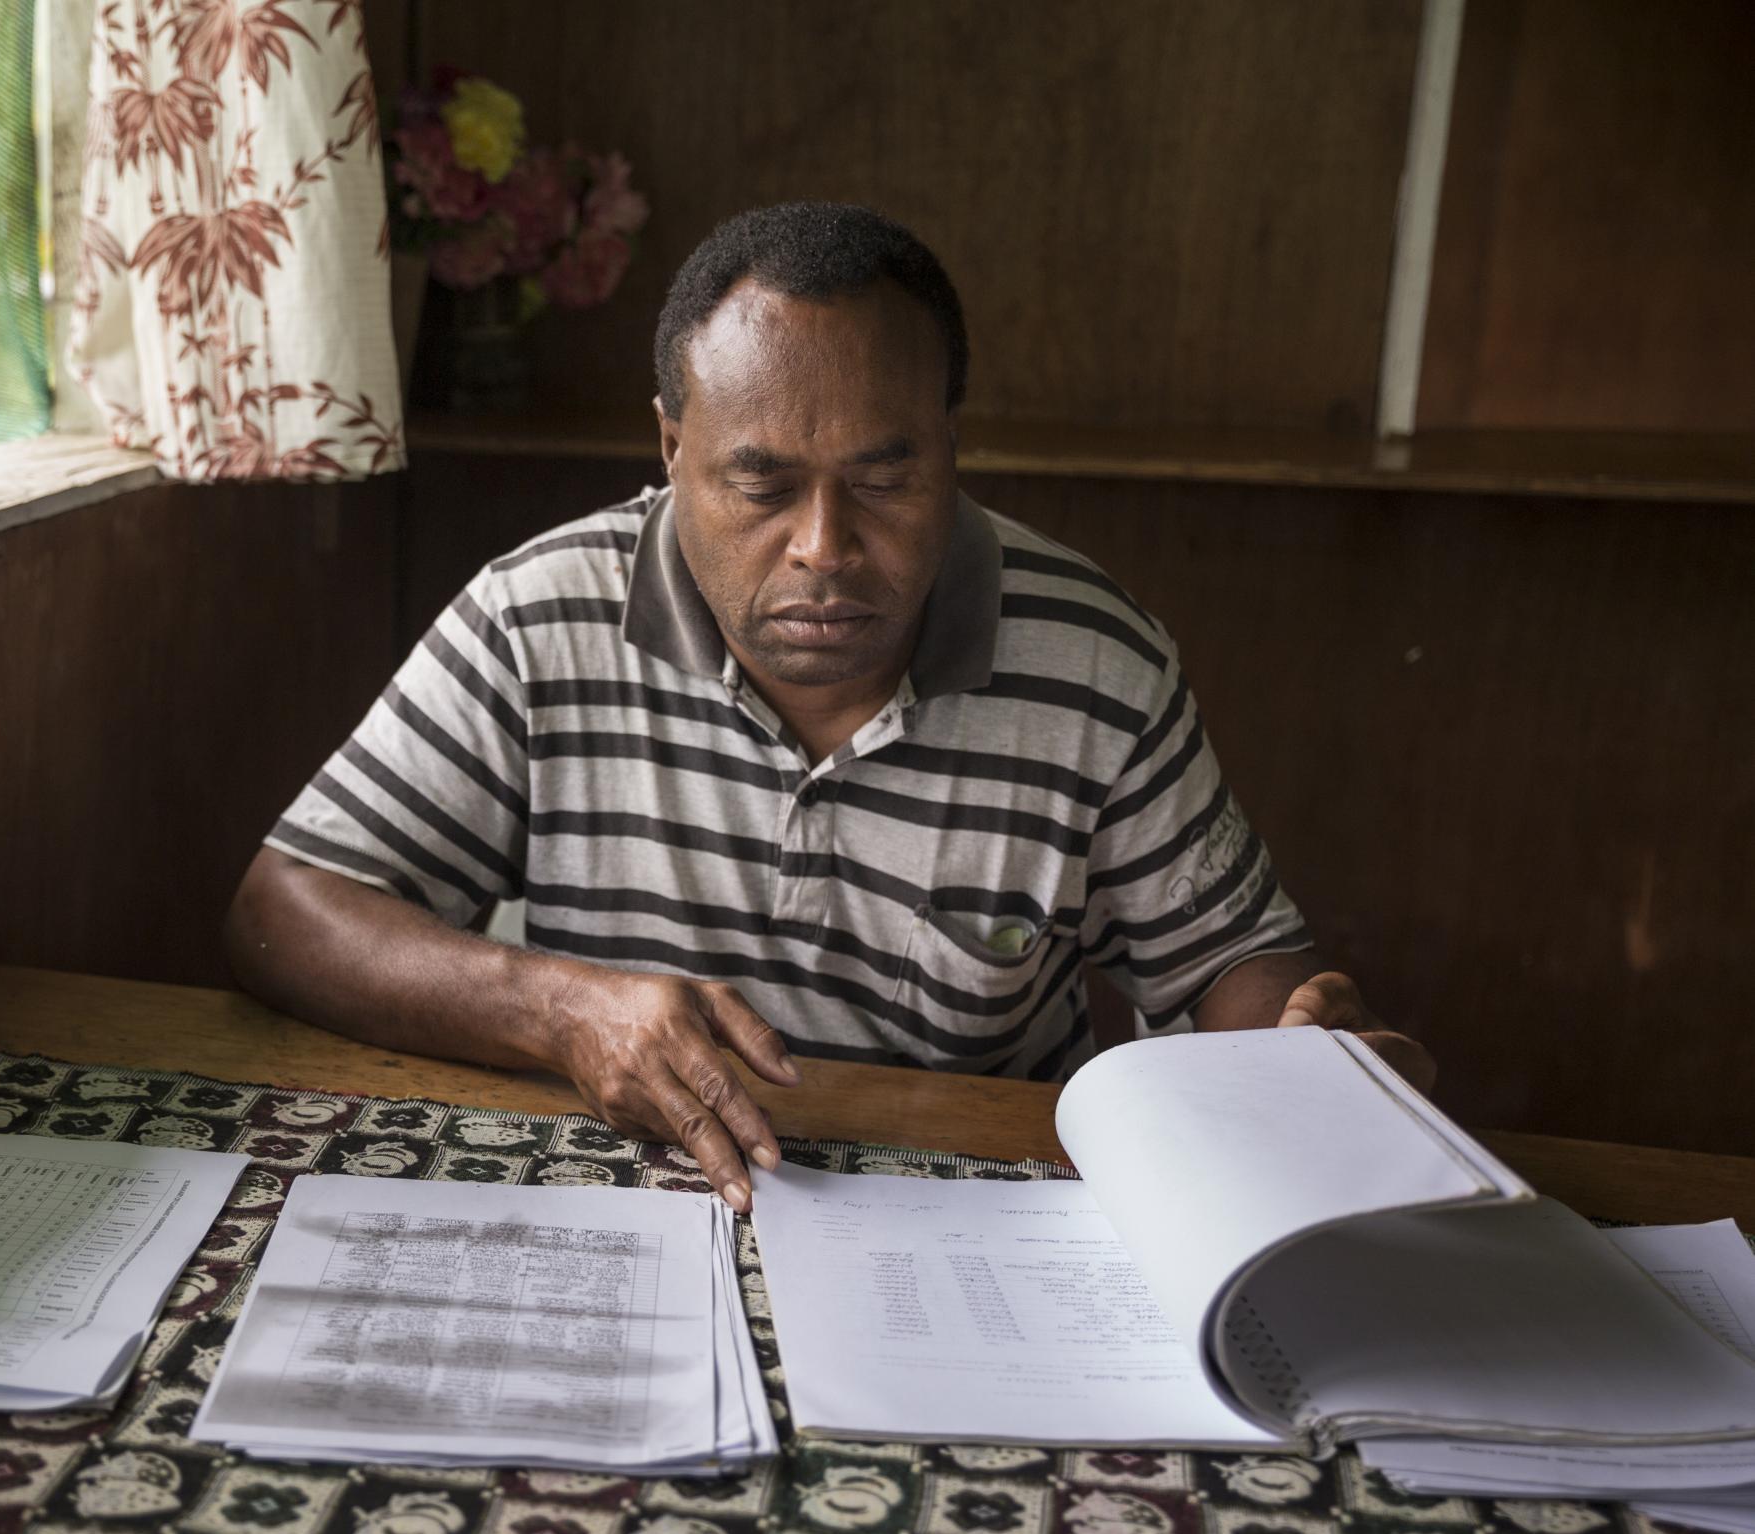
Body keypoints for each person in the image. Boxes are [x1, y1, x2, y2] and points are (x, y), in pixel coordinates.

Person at [224, 201, 1433, 1211]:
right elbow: (286, 907)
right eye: (759, 482)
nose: (823, 547)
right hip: (630, 1199)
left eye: (885, 476)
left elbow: (1231, 965)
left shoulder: (1095, 664)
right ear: (669, 446)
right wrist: (561, 1008)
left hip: (985, 1223)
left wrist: (1311, 1050)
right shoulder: (537, 617)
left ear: (951, 450)